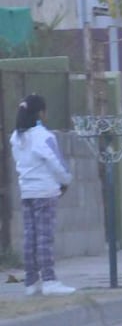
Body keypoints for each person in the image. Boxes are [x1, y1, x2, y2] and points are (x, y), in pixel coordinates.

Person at [10, 94, 76, 296]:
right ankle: (49, 280)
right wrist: (66, 180)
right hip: (45, 192)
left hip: (27, 192)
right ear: (40, 113)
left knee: (30, 237)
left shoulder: (16, 138)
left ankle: (31, 281)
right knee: (45, 237)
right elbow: (56, 163)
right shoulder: (44, 136)